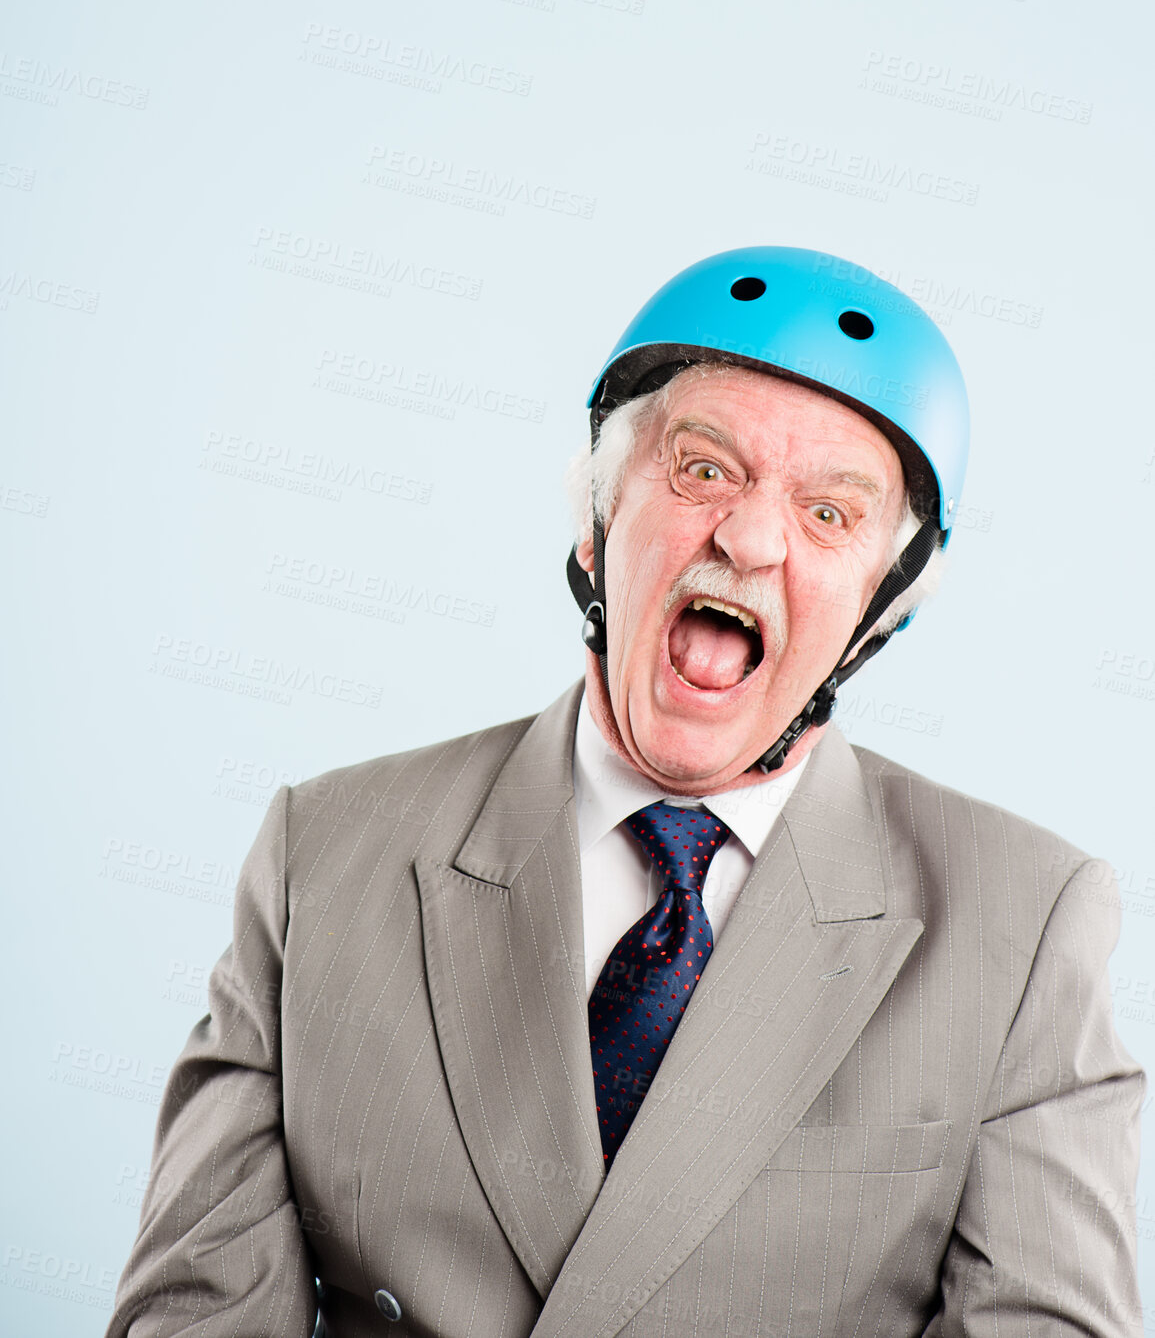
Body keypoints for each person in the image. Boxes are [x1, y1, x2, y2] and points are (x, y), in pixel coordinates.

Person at [108, 246, 1143, 1337]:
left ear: (881, 610)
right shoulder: (320, 858)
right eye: (704, 469)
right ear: (597, 522)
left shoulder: (1025, 924)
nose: (746, 538)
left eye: (830, 513)